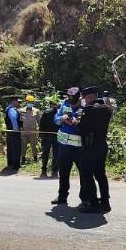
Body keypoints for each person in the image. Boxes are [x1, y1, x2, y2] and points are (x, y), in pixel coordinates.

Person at [77, 86, 113, 214]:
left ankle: (93, 203)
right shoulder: (106, 109)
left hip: (90, 147)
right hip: (102, 146)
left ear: (89, 97)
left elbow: (82, 129)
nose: (84, 100)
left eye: (85, 98)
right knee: (101, 175)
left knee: (87, 175)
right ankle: (105, 202)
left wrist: (77, 122)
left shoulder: (89, 110)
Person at [51, 87, 83, 206]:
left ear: (79, 98)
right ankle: (62, 197)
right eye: (69, 100)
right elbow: (56, 120)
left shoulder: (85, 106)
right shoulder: (64, 104)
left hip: (79, 148)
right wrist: (62, 118)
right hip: (64, 147)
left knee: (84, 174)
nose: (71, 103)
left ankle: (85, 199)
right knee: (63, 173)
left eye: (73, 100)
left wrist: (76, 122)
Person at [39, 99, 60, 178]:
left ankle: (44, 170)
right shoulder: (58, 113)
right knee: (55, 153)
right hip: (54, 135)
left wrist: (41, 134)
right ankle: (54, 171)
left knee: (46, 153)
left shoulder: (46, 112)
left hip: (48, 135)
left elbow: (41, 124)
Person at [4, 96, 22, 171]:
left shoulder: (8, 108)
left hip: (10, 132)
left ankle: (11, 164)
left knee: (11, 148)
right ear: (13, 101)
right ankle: (15, 165)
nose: (19, 103)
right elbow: (14, 119)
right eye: (18, 102)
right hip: (14, 132)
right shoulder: (12, 110)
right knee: (16, 148)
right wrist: (16, 129)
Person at [21, 96, 40, 166]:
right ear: (26, 102)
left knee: (34, 145)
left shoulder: (36, 111)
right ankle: (23, 159)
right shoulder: (21, 110)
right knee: (23, 146)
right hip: (23, 132)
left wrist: (39, 130)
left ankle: (35, 158)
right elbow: (19, 121)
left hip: (33, 132)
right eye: (29, 102)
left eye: (32, 102)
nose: (30, 103)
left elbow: (39, 121)